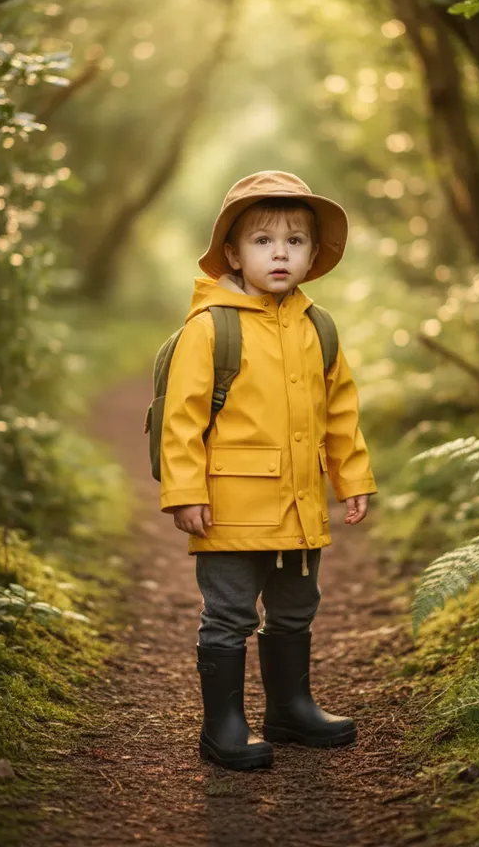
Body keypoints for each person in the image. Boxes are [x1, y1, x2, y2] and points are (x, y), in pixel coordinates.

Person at [159, 170, 377, 771]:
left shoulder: (318, 328)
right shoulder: (210, 329)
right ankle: (223, 724)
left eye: (294, 241)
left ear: (313, 254)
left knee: (295, 607)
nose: (279, 252)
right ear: (232, 253)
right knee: (229, 611)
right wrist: (184, 491)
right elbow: (182, 419)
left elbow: (340, 413)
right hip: (229, 506)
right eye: (261, 241)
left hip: (299, 505)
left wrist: (351, 477)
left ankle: (290, 706)